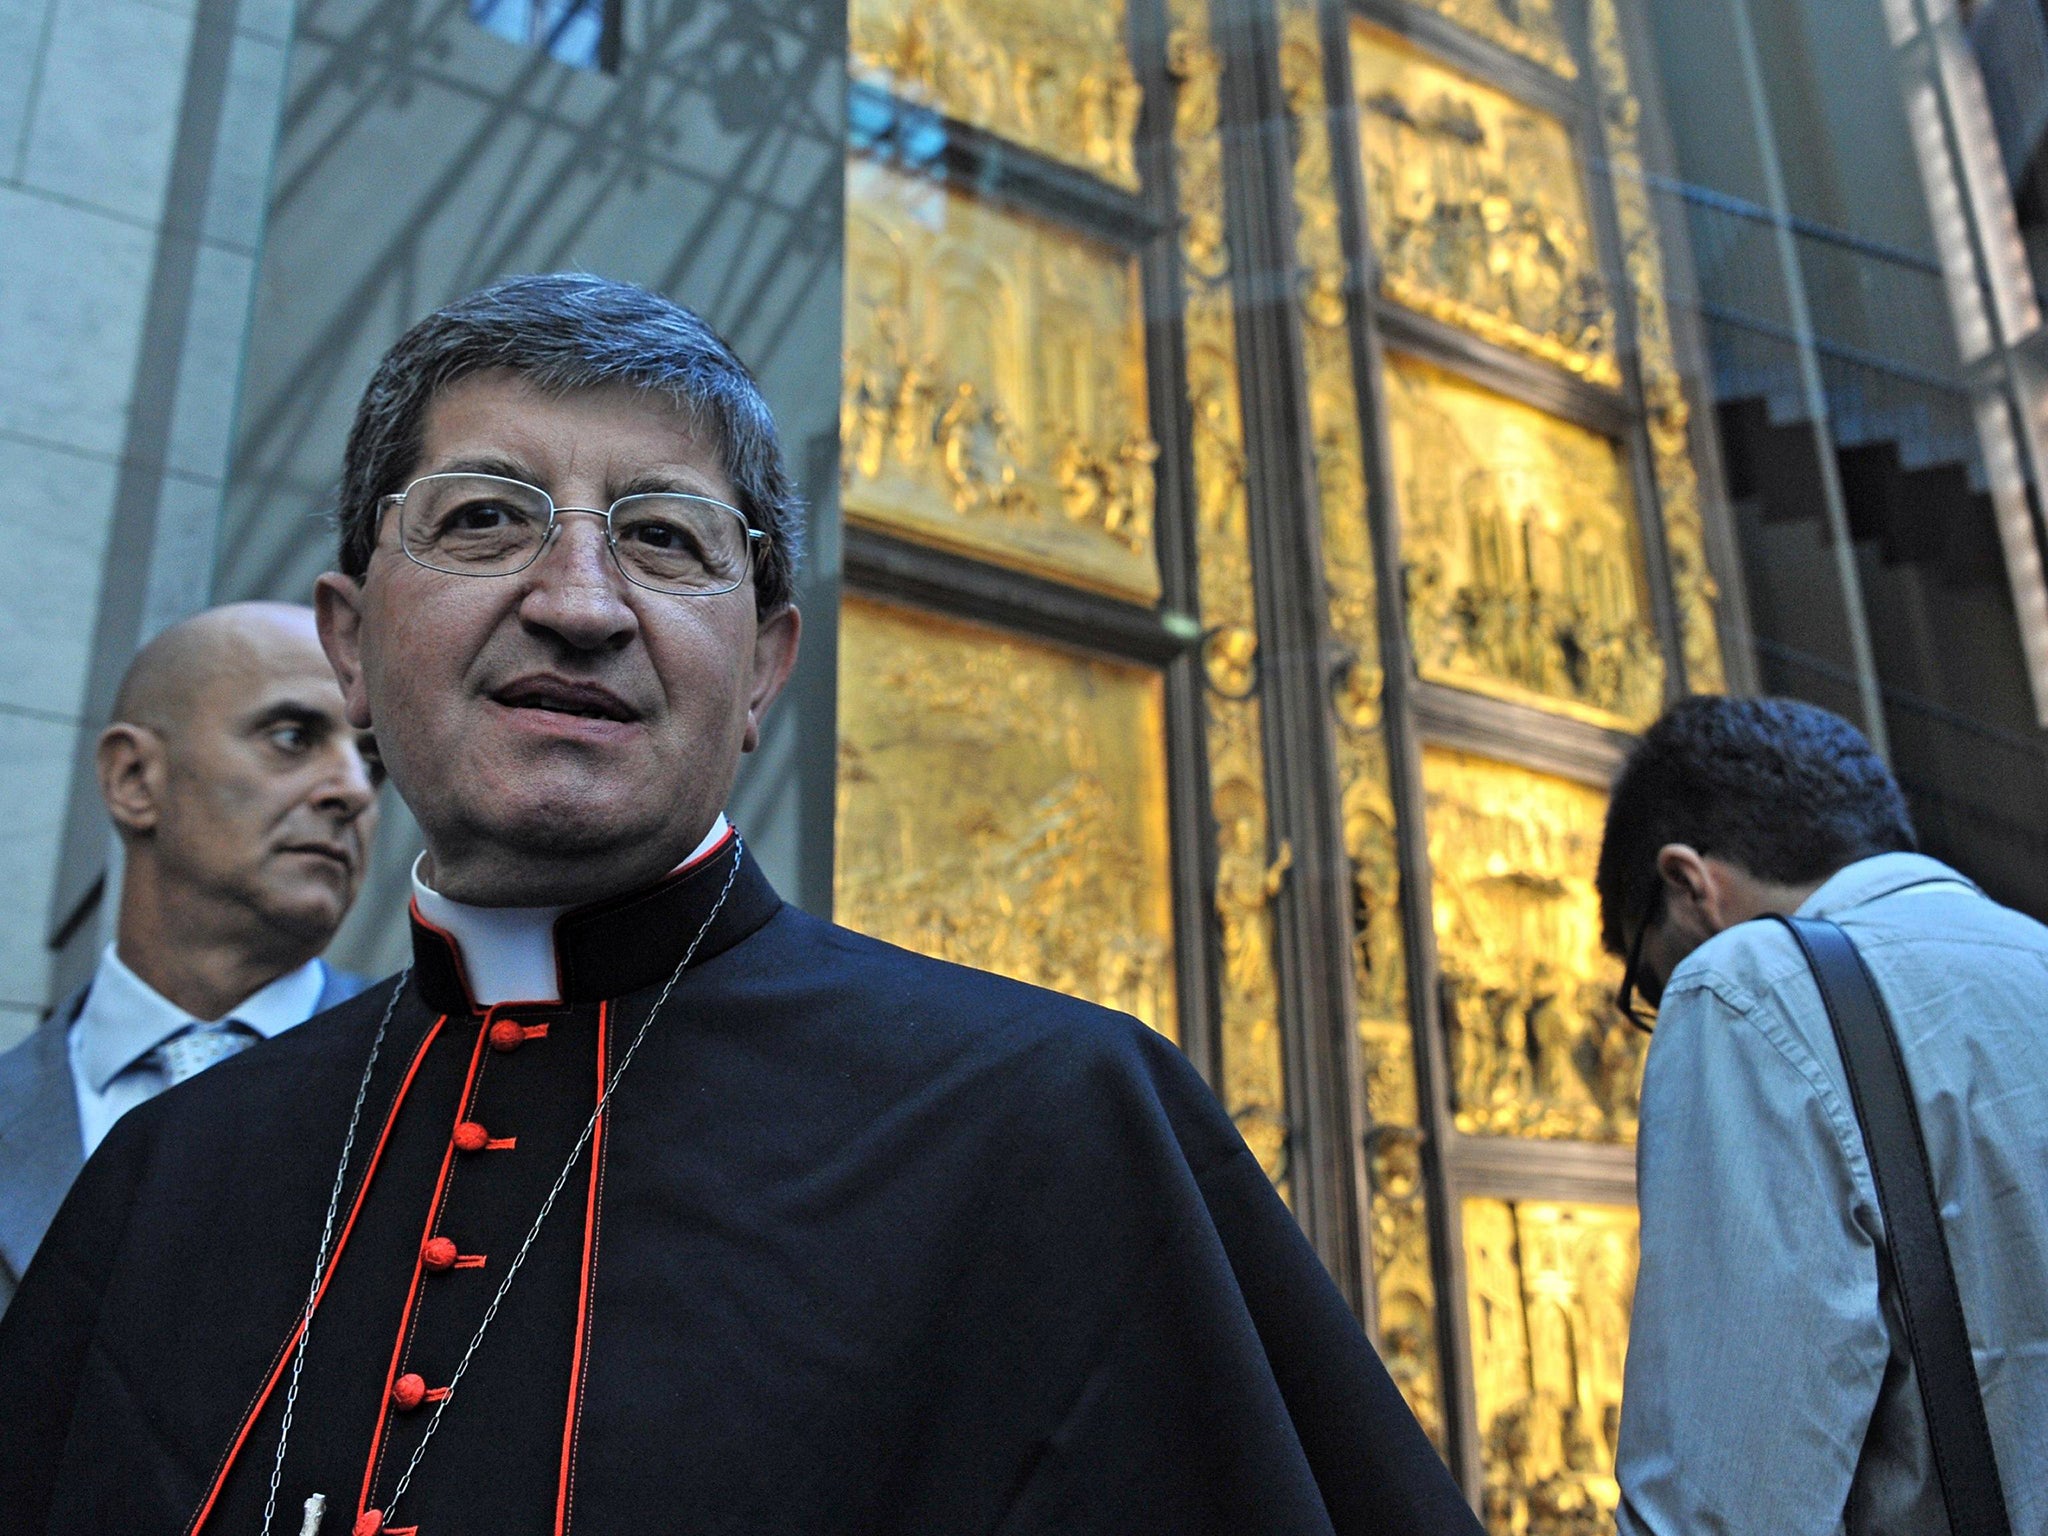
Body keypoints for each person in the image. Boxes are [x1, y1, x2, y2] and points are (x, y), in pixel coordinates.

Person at [0, 275, 1477, 1536]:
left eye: (664, 539)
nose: (580, 600)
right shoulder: (167, 1179)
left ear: (765, 664)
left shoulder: (1054, 1124)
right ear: (351, 641)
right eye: (486, 520)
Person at [1596, 695, 2048, 1536]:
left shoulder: (1747, 986)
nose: (1664, 1007)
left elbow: (1722, 1510)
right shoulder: (2033, 955)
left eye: (1649, 985)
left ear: (1689, 884)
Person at [0, 602, 379, 1311]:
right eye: (294, 736)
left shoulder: (452, 1088)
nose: (354, 792)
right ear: (134, 777)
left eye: (373, 762)